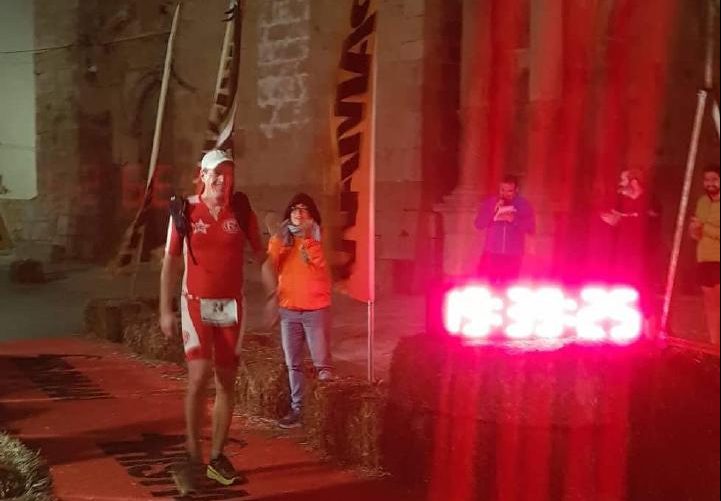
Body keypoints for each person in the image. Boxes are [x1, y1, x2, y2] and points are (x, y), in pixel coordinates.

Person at [159, 149, 264, 495]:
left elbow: (262, 255)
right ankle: (193, 454)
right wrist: (165, 309)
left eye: (227, 174)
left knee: (226, 380)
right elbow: (171, 263)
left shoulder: (242, 211)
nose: (222, 180)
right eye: (216, 174)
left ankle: (217, 457)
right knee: (199, 375)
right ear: (202, 176)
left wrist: (275, 292)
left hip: (231, 307)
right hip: (195, 304)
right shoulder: (185, 210)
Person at [264, 193, 333, 429]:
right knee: (293, 363)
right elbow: (270, 264)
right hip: (289, 309)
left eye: (304, 209)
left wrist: (308, 239)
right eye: (295, 209)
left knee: (322, 365)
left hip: (316, 310)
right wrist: (278, 239)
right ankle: (298, 410)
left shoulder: (319, 238)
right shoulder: (283, 239)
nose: (299, 213)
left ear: (312, 215)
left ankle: (326, 414)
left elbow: (321, 265)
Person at [600, 169, 662, 323]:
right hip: (624, 257)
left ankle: (649, 328)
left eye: (623, 180)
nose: (620, 184)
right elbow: (614, 218)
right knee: (623, 291)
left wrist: (624, 219)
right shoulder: (622, 202)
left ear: (634, 182)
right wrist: (614, 220)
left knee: (644, 295)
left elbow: (648, 222)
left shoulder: (650, 201)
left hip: (643, 259)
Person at [474, 175, 536, 284]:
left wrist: (514, 220)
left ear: (516, 190)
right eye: (502, 190)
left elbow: (531, 229)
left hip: (513, 254)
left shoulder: (523, 205)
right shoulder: (490, 203)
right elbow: (478, 225)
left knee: (509, 285)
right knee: (490, 285)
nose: (505, 194)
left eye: (509, 191)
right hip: (492, 252)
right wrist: (493, 212)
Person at [689, 166, 720, 345]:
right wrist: (694, 230)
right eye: (707, 180)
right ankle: (714, 344)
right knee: (710, 304)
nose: (710, 183)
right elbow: (697, 232)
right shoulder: (702, 201)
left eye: (714, 179)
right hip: (703, 258)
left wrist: (704, 227)